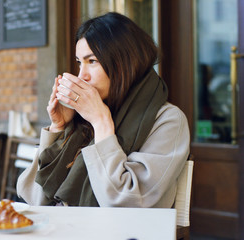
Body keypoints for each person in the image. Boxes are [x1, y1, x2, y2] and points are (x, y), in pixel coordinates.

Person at [16, 12, 190, 208]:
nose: (82, 76)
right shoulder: (84, 117)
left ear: (126, 63)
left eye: (93, 61)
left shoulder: (168, 120)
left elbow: (126, 203)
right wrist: (58, 129)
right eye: (79, 62)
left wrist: (101, 123)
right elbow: (35, 198)